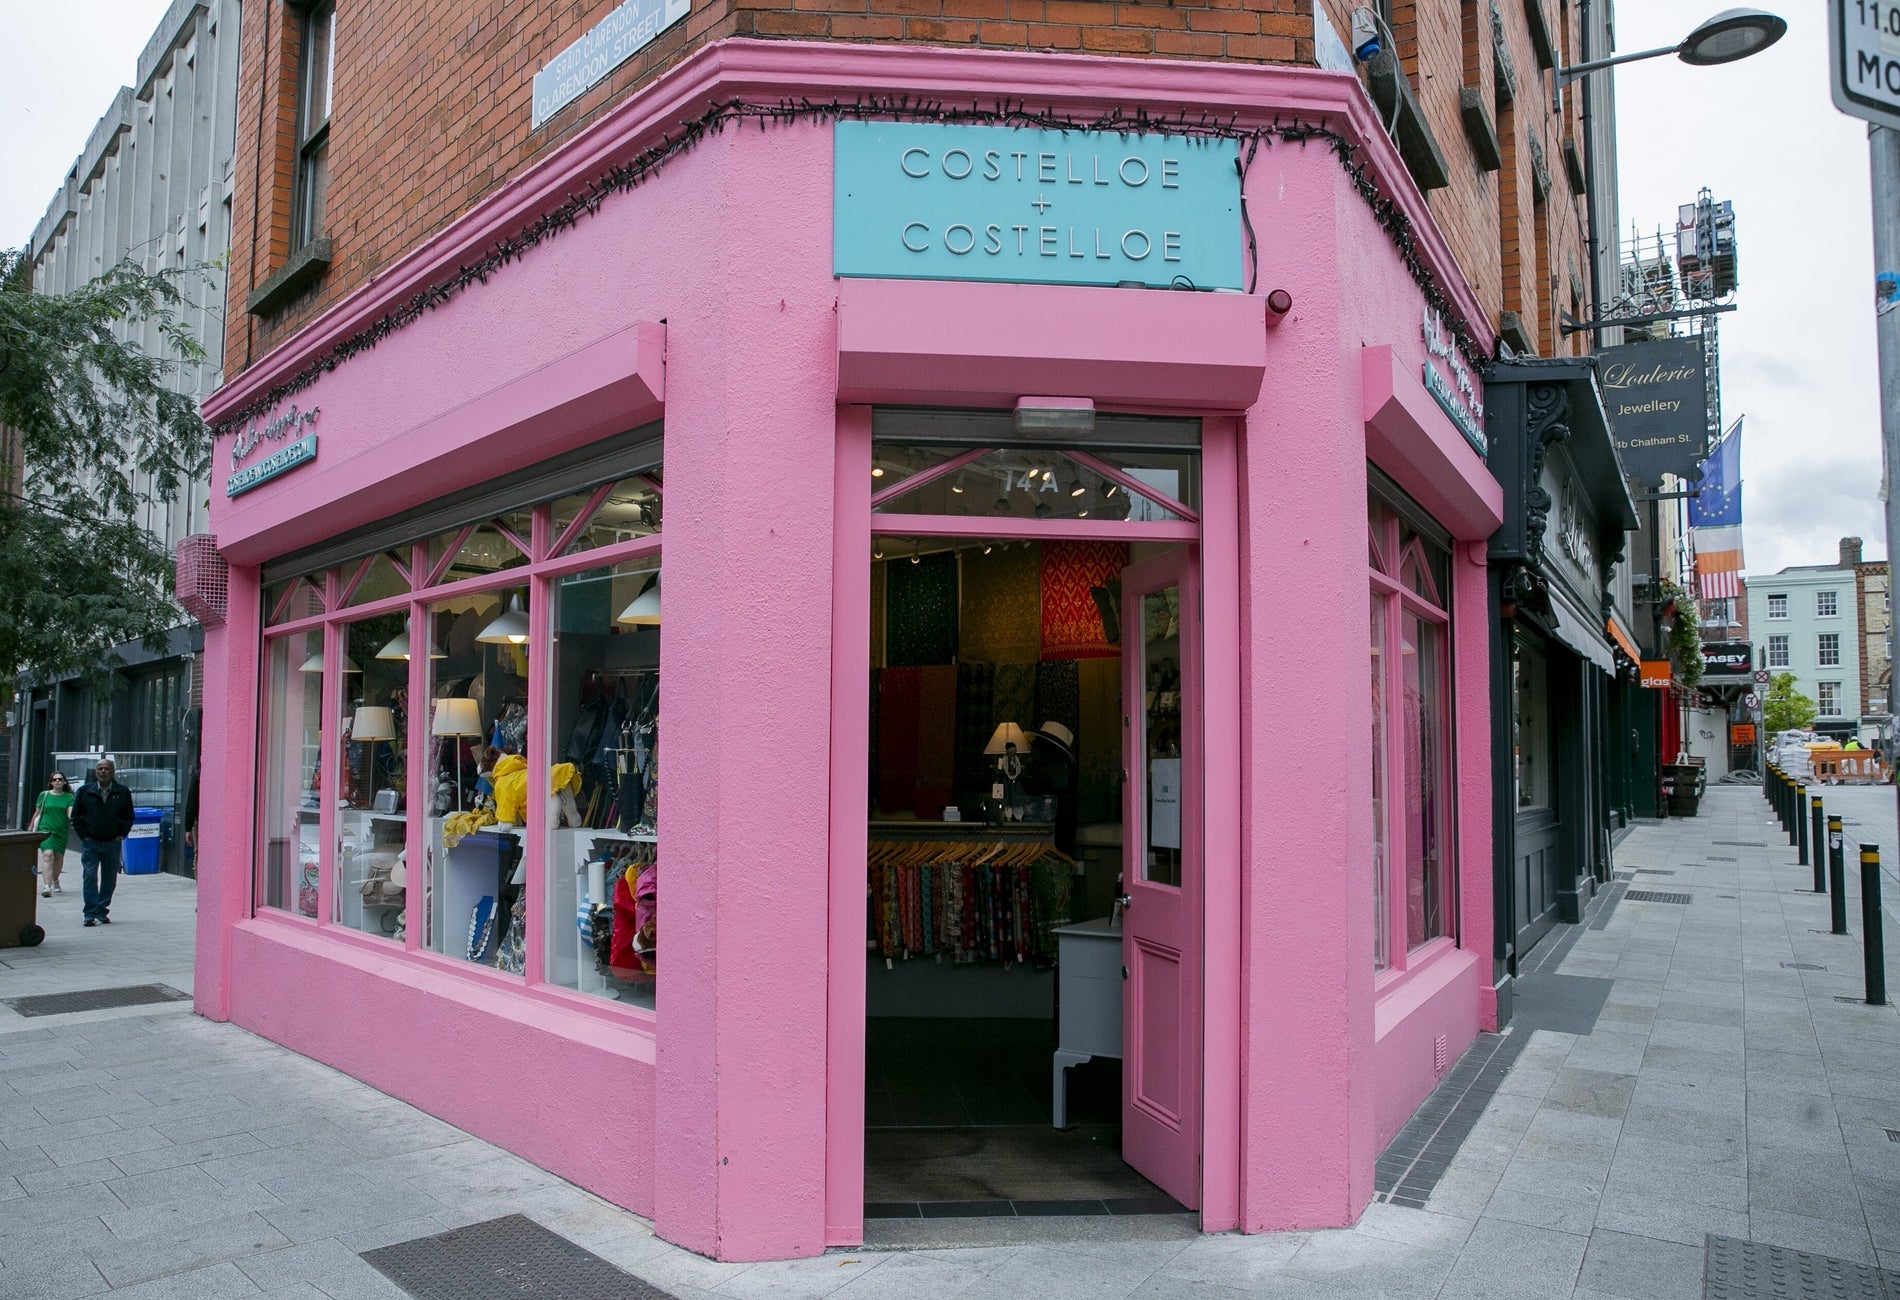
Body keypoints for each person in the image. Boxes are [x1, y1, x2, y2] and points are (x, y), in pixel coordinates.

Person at [70, 758, 135, 927]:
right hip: (91, 842)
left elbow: (129, 816)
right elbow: (75, 817)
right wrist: (84, 836)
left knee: (109, 879)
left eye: (106, 769)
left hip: (112, 842)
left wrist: (121, 835)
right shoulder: (85, 791)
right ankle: (89, 913)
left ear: (112, 772)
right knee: (90, 876)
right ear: (95, 772)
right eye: (100, 769)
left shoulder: (122, 791)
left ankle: (102, 909)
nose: (103, 772)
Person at [28, 772, 76, 897]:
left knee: (58, 858)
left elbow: (70, 813)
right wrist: (31, 825)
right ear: (51, 782)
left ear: (64, 782)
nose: (57, 781)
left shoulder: (69, 797)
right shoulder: (44, 795)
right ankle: (47, 886)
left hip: (61, 831)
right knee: (48, 855)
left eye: (60, 779)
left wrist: (73, 818)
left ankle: (55, 880)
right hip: (45, 830)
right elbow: (37, 812)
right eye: (55, 780)